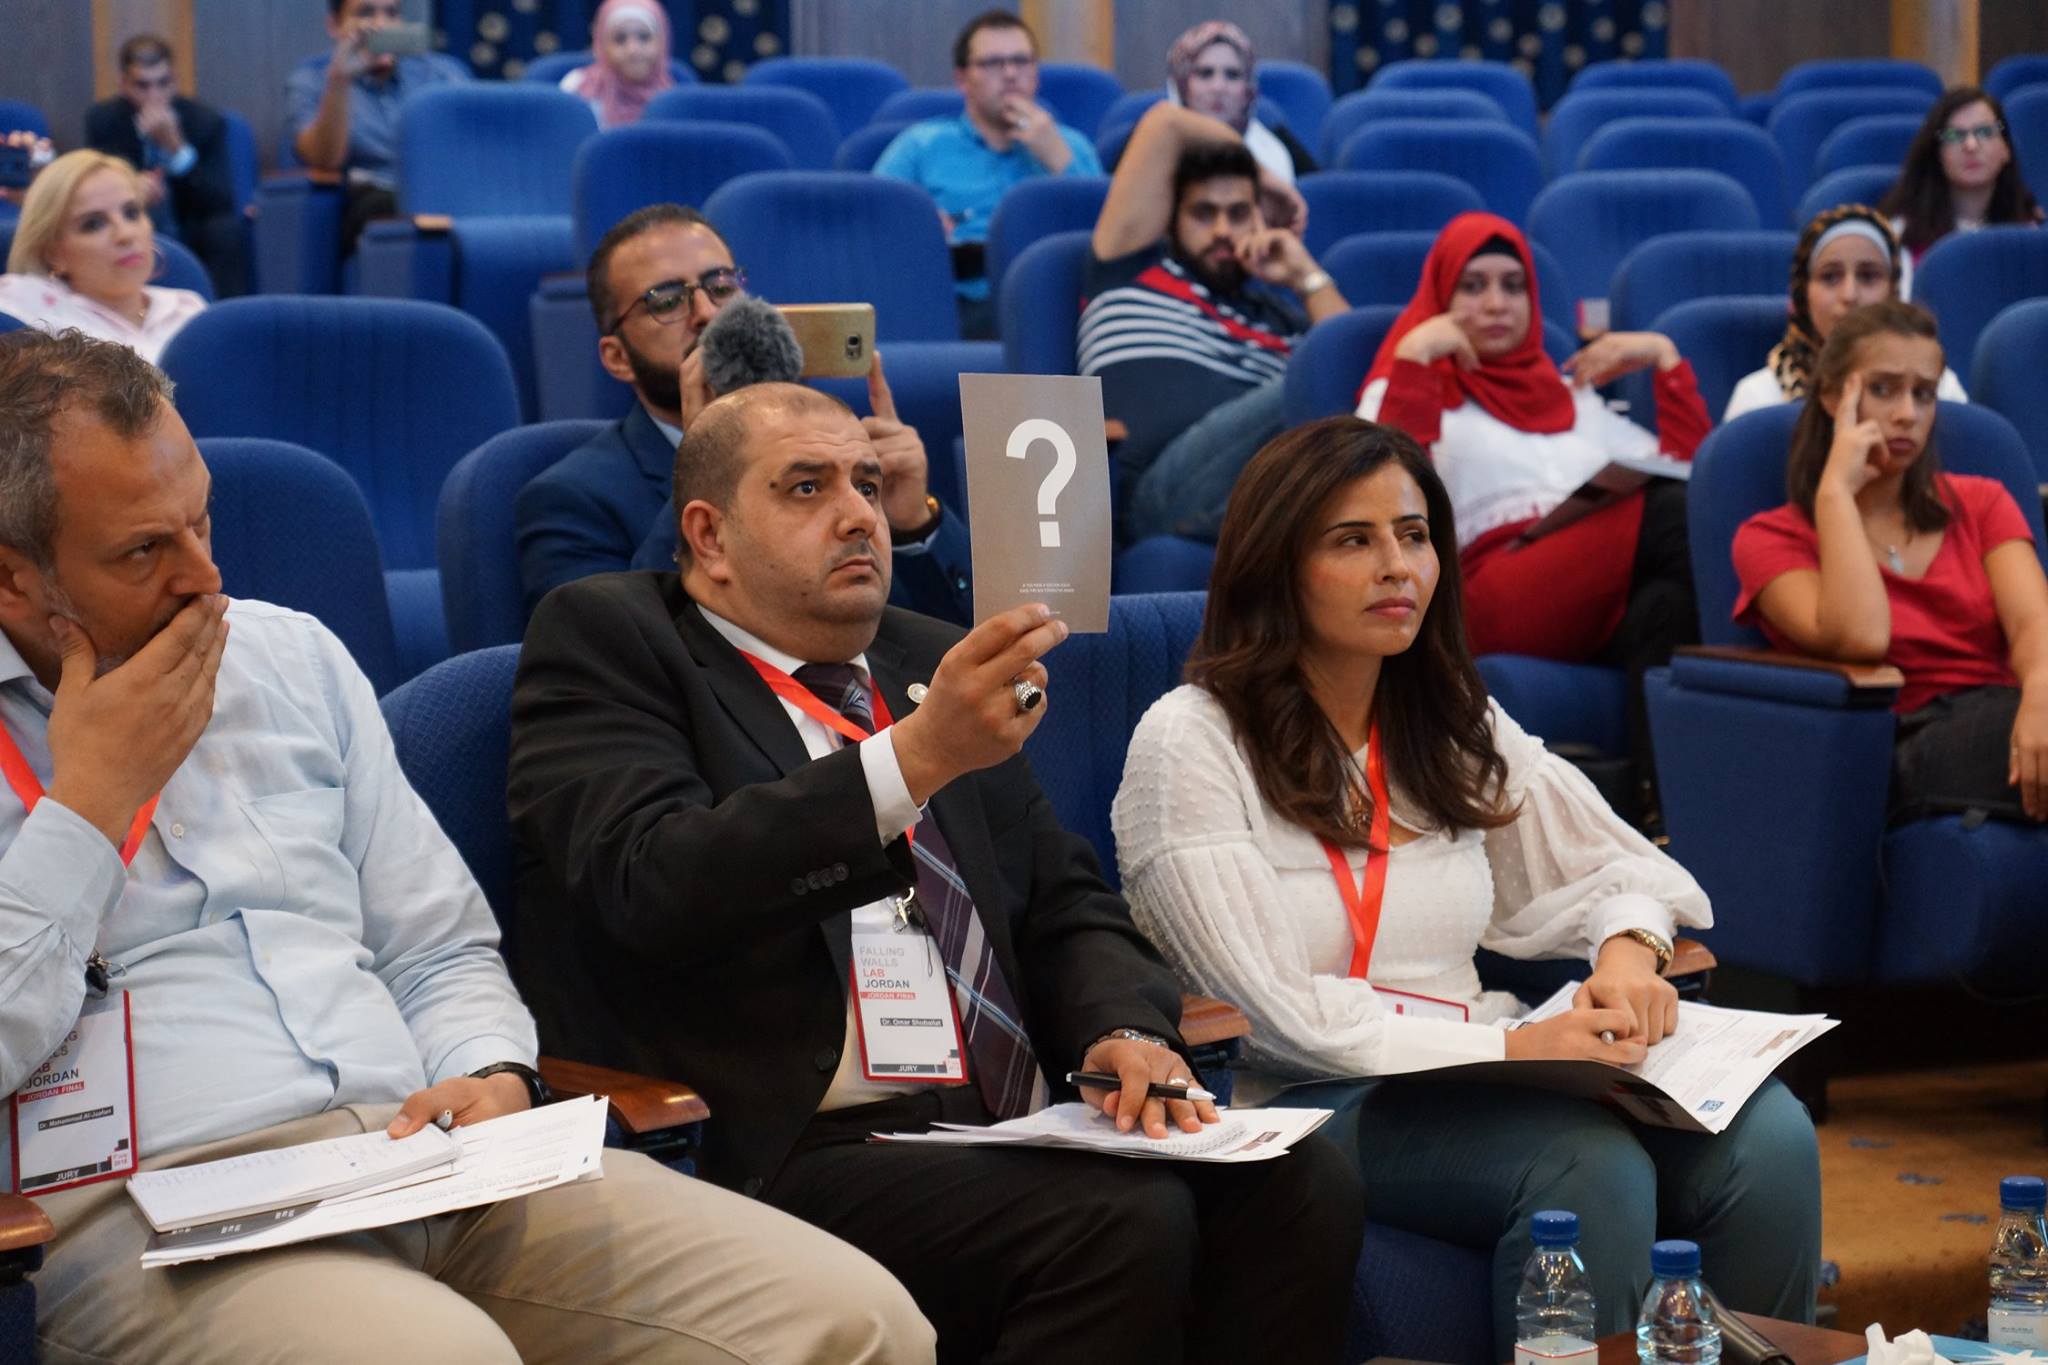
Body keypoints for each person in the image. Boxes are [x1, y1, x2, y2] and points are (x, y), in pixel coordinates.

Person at [0, 330, 937, 1365]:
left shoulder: (290, 657)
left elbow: (435, 945)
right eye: (145, 551)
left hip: (423, 1156)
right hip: (158, 1217)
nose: (206, 577)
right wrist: (87, 807)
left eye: (202, 520)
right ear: (11, 582)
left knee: (858, 1322)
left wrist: (489, 1070)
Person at [507, 381, 1365, 1363]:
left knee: (1303, 1184)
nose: (856, 514)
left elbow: (1061, 901)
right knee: (1113, 1222)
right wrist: (911, 759)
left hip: (1024, 1122)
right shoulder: (614, 640)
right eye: (804, 487)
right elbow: (647, 881)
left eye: (867, 484)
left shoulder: (924, 657)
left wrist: (1123, 1026)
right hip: (795, 1140)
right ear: (706, 535)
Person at [1112, 414, 1823, 1356]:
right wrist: (1518, 1041)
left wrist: (1628, 953)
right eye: (1352, 540)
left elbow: (1632, 869)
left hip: (1489, 1065)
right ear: (1276, 563)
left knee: (1771, 1138)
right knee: (1588, 1166)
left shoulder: (1445, 719)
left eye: (1413, 537)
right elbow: (1270, 1011)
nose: (1396, 566)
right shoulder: (1190, 740)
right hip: (1306, 1096)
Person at [1356, 212, 1710, 797]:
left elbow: (1696, 480)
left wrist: (1666, 360)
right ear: (1441, 296)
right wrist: (1417, 355)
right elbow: (1383, 496)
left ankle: (1662, 811)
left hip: (1588, 584)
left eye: (1513, 286)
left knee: (1667, 606)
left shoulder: (1572, 394)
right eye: (1473, 287)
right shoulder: (1407, 383)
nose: (1496, 303)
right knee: (1672, 515)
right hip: (1482, 592)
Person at [516, 203, 970, 624]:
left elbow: (958, 641)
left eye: (720, 286)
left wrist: (913, 525)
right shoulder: (570, 499)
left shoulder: (840, 458)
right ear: (616, 357)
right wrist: (701, 466)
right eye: (666, 300)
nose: (707, 313)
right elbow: (601, 657)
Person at [1734, 300, 2048, 824]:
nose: (1907, 413)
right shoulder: (1769, 538)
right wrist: (1836, 492)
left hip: (2008, 712)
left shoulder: (1981, 502)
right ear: (1834, 396)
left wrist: (2041, 692)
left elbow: (2034, 622)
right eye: (1883, 389)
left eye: (1924, 394)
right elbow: (1863, 637)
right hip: (1896, 742)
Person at [1081, 101, 1343, 543]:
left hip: (1280, 481)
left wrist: (1305, 276)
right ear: (1170, 221)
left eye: (1239, 213)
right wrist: (1267, 179)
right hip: (1165, 491)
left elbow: (1364, 376)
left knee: (1345, 377)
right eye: (1204, 213)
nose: (1222, 229)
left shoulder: (1280, 317)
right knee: (1319, 378)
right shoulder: (1126, 268)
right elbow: (1165, 123)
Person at [873, 10, 1102, 339]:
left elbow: (1107, 237)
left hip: (1056, 301)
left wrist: (1058, 160)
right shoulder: (920, 147)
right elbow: (876, 229)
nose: (1010, 74)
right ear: (963, 79)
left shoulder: (1070, 146)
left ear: (1036, 74)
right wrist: (917, 228)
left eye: (1021, 61)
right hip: (957, 303)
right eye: (994, 63)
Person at [1724, 204, 1967, 423]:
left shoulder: (1937, 387)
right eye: (1830, 277)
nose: (1849, 295)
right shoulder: (1758, 400)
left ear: (1893, 291)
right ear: (1802, 294)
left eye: (1868, 276)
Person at [285, 0, 468, 256]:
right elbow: (325, 160)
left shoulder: (442, 73)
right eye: (366, 13)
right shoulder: (312, 79)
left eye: (391, 13)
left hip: (442, 189)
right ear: (335, 25)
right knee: (395, 204)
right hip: (368, 202)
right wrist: (340, 79)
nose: (381, 25)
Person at [0, 151, 206, 364]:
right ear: (52, 253)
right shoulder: (25, 305)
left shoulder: (188, 307)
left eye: (132, 213)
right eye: (94, 224)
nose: (125, 234)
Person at [84, 35, 247, 297]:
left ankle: (224, 314)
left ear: (175, 81)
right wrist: (131, 190)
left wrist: (177, 148)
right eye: (142, 86)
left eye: (162, 83)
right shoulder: (105, 121)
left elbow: (220, 201)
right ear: (123, 84)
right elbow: (94, 190)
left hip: (189, 222)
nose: (154, 96)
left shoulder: (204, 122)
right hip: (131, 221)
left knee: (225, 230)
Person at [1879, 85, 2042, 274]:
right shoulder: (1901, 235)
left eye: (1984, 132)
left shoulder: (2030, 231)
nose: (1971, 145)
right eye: (1954, 135)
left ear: (2006, 149)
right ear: (1936, 153)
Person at [1163, 21, 1314, 183]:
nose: (1219, 87)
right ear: (1181, 84)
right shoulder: (1148, 148)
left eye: (1232, 75)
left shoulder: (1277, 145)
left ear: (1248, 87)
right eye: (1205, 73)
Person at [560, 0, 674, 130]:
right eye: (620, 39)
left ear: (662, 42)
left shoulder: (674, 97)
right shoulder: (576, 88)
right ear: (602, 45)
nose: (633, 50)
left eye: (644, 37)